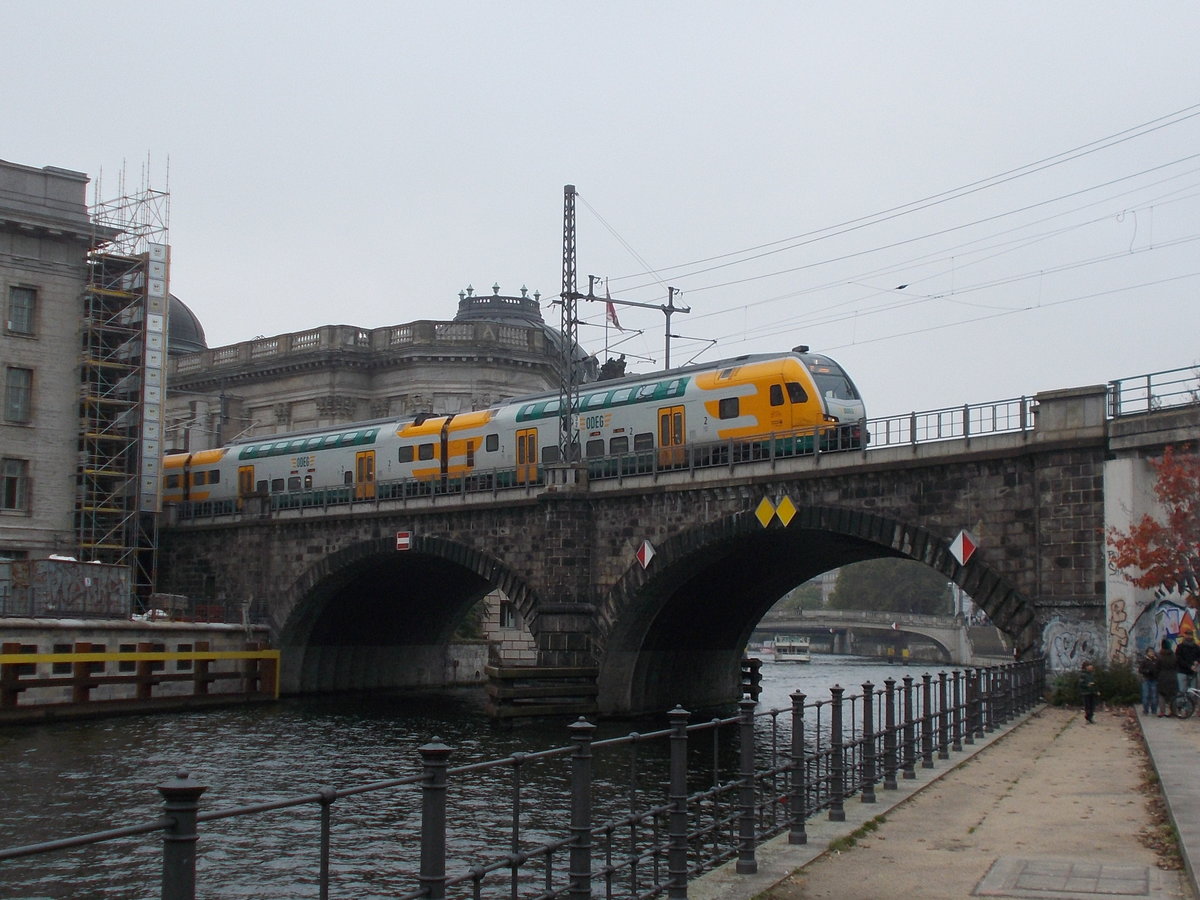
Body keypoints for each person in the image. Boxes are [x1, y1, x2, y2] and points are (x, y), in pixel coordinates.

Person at [1175, 631, 1200, 697]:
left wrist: (1197, 661)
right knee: (1182, 691)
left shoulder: (1196, 647)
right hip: (1182, 671)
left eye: (1190, 635)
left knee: (1192, 693)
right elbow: (1179, 659)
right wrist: (1190, 666)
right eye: (1187, 635)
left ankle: (1190, 706)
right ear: (1185, 636)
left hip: (1192, 673)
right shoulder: (1180, 647)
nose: (1189, 636)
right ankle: (1181, 706)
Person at [1157, 639, 1178, 717]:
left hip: (1162, 677)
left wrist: (1157, 675)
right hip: (1172, 676)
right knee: (1173, 695)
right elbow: (1176, 666)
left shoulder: (1159, 656)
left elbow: (1157, 667)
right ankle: (1173, 711)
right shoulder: (1174, 656)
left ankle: (1162, 711)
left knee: (1161, 694)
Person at [1137, 647, 1160, 715]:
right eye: (1150, 652)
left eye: (1152, 651)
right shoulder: (1144, 661)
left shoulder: (1156, 660)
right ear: (1147, 653)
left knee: (1154, 696)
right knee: (1145, 695)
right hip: (1146, 679)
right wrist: (1147, 671)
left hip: (1154, 680)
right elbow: (1140, 670)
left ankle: (1154, 710)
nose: (1151, 653)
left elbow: (1159, 669)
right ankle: (1146, 710)